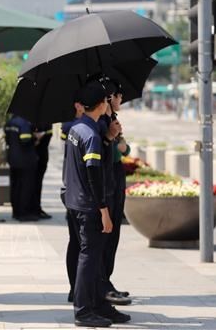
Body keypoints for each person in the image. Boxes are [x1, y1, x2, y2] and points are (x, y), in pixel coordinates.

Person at [64, 81, 129, 327]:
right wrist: (104, 210)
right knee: (90, 258)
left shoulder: (77, 127)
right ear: (102, 105)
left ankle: (99, 304)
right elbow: (93, 173)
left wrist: (108, 138)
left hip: (77, 201)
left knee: (92, 256)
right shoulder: (90, 134)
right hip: (90, 205)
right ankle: (83, 311)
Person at [100, 78, 132, 305]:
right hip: (107, 178)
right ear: (110, 98)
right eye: (120, 96)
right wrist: (112, 138)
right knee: (105, 236)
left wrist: (119, 140)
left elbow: (126, 148)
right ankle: (101, 285)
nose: (122, 100)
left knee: (114, 235)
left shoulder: (113, 120)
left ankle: (106, 281)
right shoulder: (101, 123)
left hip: (116, 174)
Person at [61, 93, 85, 304]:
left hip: (73, 189)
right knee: (80, 244)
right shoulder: (73, 127)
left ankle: (79, 289)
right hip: (77, 190)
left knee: (79, 243)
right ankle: (77, 289)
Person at [4, 114, 39, 221]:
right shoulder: (23, 123)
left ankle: (16, 211)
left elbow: (8, 140)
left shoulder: (9, 122)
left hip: (13, 159)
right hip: (25, 161)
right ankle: (23, 213)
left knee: (15, 186)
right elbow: (25, 139)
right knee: (25, 187)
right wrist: (35, 138)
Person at [33, 123, 53, 219]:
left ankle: (36, 208)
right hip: (32, 157)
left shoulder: (47, 123)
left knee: (37, 184)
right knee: (32, 184)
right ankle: (33, 208)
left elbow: (48, 136)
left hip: (40, 157)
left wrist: (38, 140)